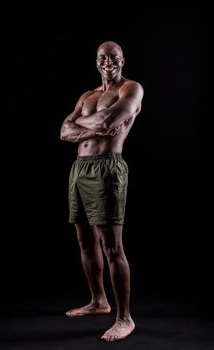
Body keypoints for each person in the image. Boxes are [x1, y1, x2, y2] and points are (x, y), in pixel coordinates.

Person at [60, 40, 144, 342]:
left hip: (108, 167)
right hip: (79, 169)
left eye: (113, 56)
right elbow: (63, 131)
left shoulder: (130, 89)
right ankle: (99, 301)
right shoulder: (87, 95)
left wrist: (82, 124)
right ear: (96, 61)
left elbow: (110, 119)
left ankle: (125, 318)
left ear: (123, 59)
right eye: (102, 57)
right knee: (85, 241)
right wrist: (92, 128)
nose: (107, 61)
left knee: (111, 247)